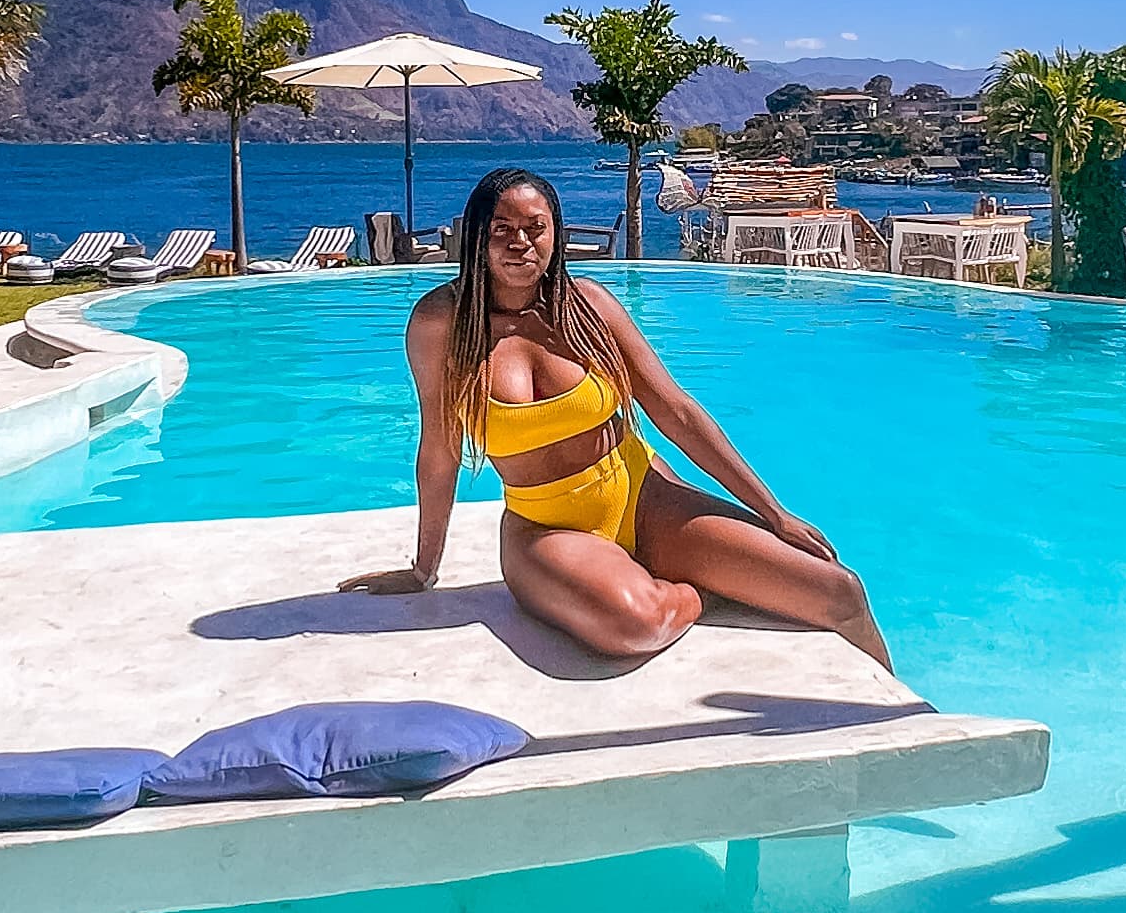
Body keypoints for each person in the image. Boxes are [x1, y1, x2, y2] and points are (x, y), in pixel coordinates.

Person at [342, 168, 891, 668]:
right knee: (634, 624)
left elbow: (674, 410)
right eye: (501, 227)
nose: (519, 242)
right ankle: (697, 585)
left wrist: (774, 514)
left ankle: (905, 725)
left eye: (536, 227)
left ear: (555, 234)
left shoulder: (590, 308)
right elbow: (439, 449)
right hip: (546, 529)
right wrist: (424, 568)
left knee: (838, 592)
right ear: (476, 236)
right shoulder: (442, 324)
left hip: (645, 498)